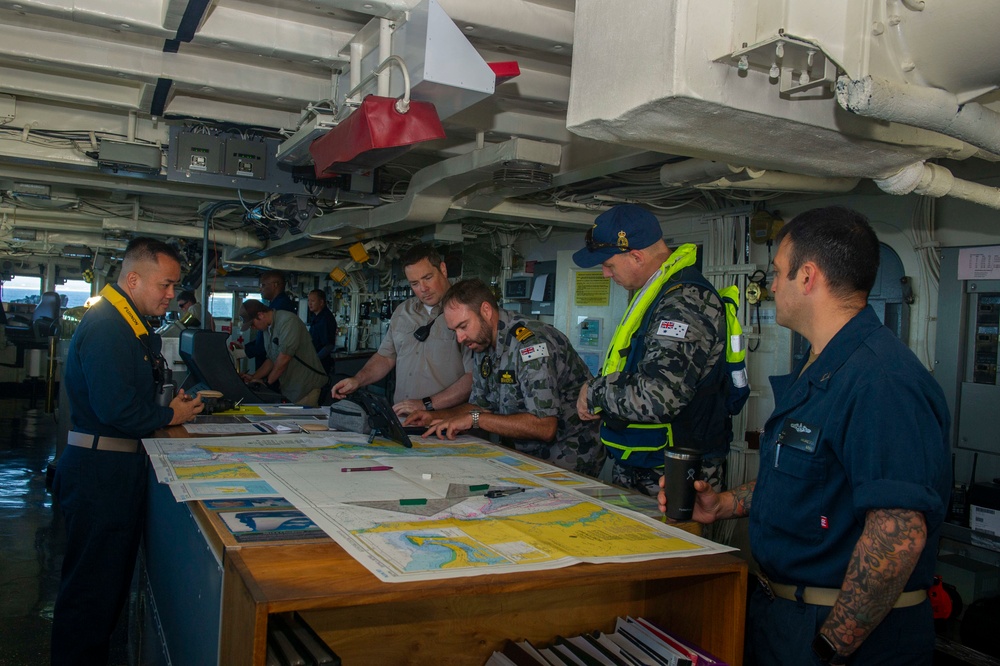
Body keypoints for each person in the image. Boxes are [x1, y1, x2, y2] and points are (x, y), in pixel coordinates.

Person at [658, 206, 950, 665]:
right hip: (784, 616)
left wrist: (832, 646)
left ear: (808, 276)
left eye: (778, 273)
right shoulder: (825, 365)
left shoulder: (881, 381)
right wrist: (725, 504)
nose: (772, 286)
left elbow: (898, 533)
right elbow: (808, 477)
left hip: (839, 634)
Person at [51, 237, 204, 665]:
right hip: (100, 471)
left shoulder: (127, 324)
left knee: (105, 589)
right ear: (133, 279)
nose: (172, 294)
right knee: (90, 593)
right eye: (166, 285)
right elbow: (116, 408)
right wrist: (170, 416)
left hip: (114, 467)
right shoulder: (107, 326)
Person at [572, 204, 730, 495]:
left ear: (635, 256)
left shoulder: (684, 303)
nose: (605, 274)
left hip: (673, 473)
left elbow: (661, 396)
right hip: (645, 464)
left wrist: (594, 392)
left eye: (608, 265)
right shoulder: (658, 293)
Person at [406, 278, 604, 477]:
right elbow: (480, 406)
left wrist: (475, 420)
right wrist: (437, 416)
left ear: (486, 311)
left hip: (568, 457)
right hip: (524, 456)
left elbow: (544, 426)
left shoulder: (531, 345)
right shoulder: (481, 342)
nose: (460, 338)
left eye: (463, 326)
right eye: (454, 330)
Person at [331, 244, 473, 417]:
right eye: (415, 283)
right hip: (403, 420)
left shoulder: (466, 312)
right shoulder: (403, 312)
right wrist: (357, 380)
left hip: (445, 422)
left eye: (428, 278)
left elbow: (473, 377)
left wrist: (426, 405)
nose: (423, 288)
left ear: (442, 269)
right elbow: (386, 356)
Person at [238, 299, 327, 406]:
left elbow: (284, 358)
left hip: (305, 388)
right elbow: (271, 359)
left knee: (300, 422)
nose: (253, 328)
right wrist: (254, 378)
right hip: (289, 388)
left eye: (252, 324)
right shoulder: (268, 329)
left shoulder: (287, 321)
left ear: (260, 315)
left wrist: (267, 383)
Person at [244, 270, 296, 371]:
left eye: (263, 285)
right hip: (268, 362)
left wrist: (247, 351)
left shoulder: (281, 307)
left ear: (275, 285)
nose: (260, 289)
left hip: (273, 367)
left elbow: (273, 344)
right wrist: (246, 348)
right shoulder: (274, 305)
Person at [306, 289, 338, 372]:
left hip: (320, 364)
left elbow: (328, 345)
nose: (309, 303)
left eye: (312, 301)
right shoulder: (316, 317)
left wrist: (315, 361)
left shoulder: (326, 318)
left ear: (321, 302)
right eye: (308, 300)